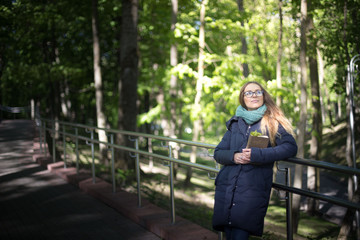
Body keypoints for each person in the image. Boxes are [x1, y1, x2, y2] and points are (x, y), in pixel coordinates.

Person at [212, 81, 298, 239]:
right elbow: (218, 153)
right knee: (229, 234)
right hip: (227, 188)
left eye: (258, 92)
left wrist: (257, 155)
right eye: (249, 92)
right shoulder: (236, 123)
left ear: (263, 95)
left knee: (240, 235)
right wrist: (234, 156)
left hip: (252, 191)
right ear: (242, 98)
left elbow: (290, 147)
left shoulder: (272, 122)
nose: (254, 95)